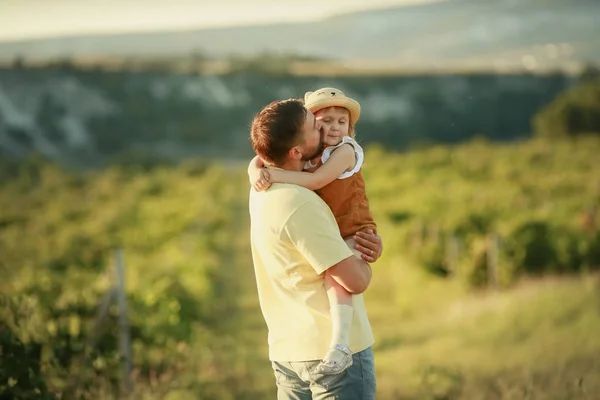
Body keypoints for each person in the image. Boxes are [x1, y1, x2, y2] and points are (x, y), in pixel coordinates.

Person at [249, 98, 382, 399]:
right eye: (314, 126)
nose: (323, 129)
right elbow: (356, 280)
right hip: (330, 355)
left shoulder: (260, 192)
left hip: (288, 350)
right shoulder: (301, 203)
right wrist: (364, 254)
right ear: (296, 151)